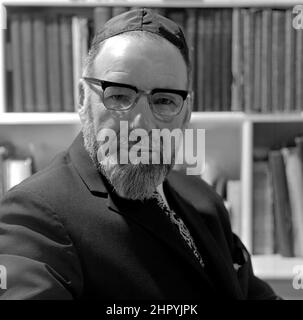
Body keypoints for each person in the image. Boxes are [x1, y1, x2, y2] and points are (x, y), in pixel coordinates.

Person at [0, 8, 279, 300]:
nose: (140, 123)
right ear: (83, 100)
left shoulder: (201, 197)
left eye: (164, 100)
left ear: (185, 113)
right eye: (119, 95)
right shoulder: (32, 215)